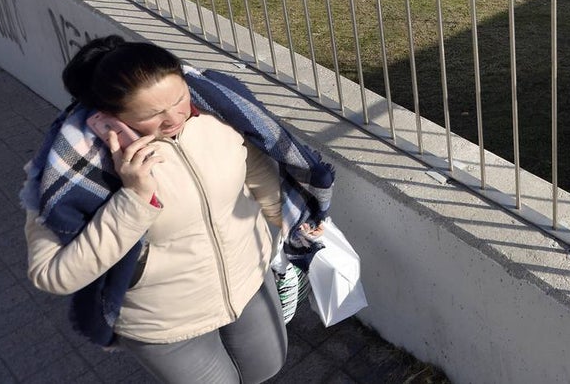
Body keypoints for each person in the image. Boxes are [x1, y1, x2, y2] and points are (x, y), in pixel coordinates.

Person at [21, 36, 335, 384]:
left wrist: (293, 222)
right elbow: (52, 274)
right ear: (111, 118)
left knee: (267, 368)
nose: (175, 117)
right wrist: (134, 199)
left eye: (180, 98)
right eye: (154, 114)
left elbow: (255, 169)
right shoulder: (71, 168)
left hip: (249, 282)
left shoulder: (215, 111)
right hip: (165, 323)